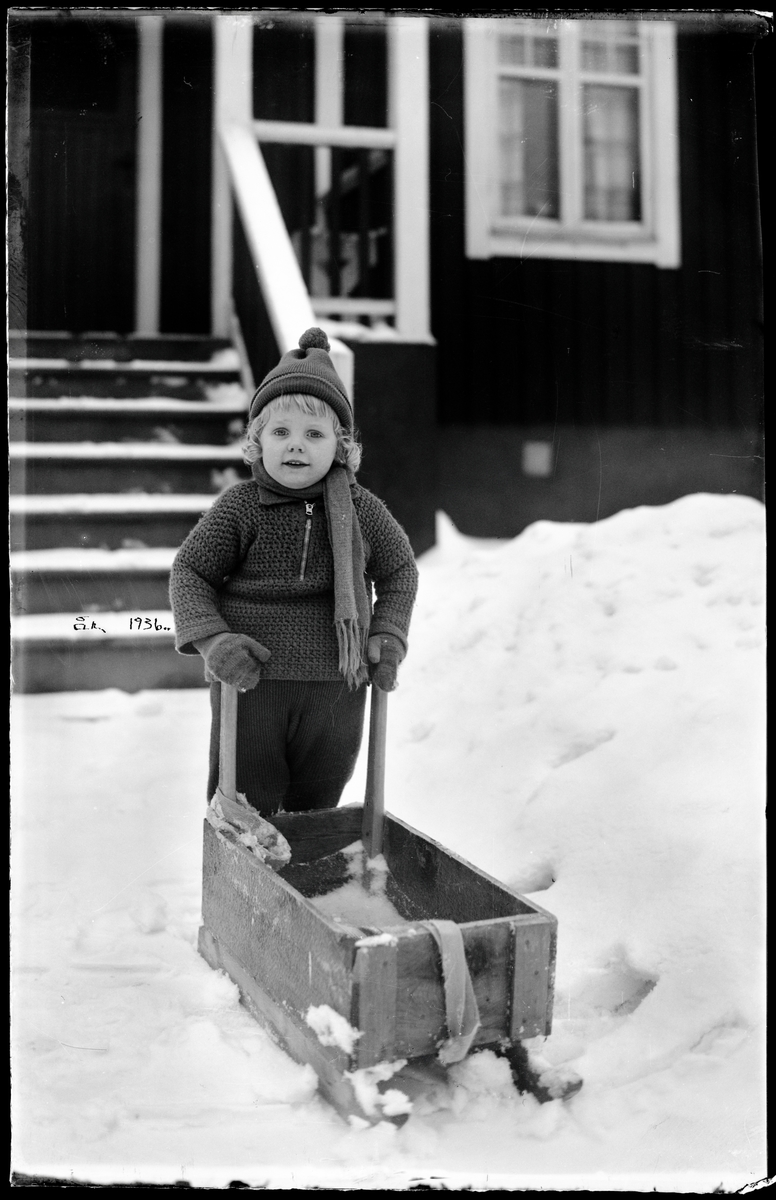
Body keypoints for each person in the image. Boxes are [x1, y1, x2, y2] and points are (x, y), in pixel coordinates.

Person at [169, 327, 418, 816]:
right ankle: (244, 864)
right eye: (280, 432)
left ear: (340, 445)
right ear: (257, 441)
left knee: (317, 806)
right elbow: (190, 573)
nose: (296, 446)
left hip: (338, 686)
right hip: (252, 684)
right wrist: (215, 642)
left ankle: (305, 864)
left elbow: (399, 572)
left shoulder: (362, 510)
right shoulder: (240, 506)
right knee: (245, 800)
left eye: (314, 434)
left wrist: (388, 633)